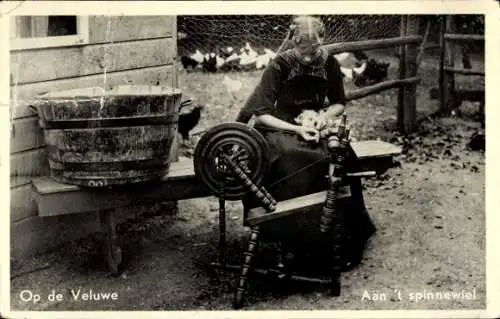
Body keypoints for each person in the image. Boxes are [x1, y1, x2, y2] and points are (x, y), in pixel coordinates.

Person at [235, 16, 376, 275]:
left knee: (338, 155)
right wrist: (298, 128)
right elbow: (261, 113)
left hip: (315, 122)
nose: (309, 57)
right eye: (303, 51)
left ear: (321, 42)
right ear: (293, 42)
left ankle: (338, 240)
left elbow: (338, 103)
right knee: (291, 157)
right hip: (280, 127)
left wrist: (322, 118)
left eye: (313, 51)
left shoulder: (329, 63)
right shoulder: (280, 65)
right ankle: (292, 241)